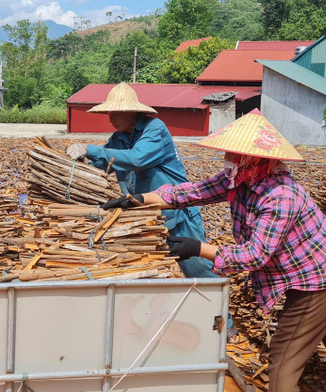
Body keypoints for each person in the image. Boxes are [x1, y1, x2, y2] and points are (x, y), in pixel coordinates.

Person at [102, 109, 326, 392]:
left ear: (256, 159)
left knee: (283, 362)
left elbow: (255, 255)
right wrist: (139, 200)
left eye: (234, 154)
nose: (228, 159)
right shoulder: (239, 179)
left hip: (319, 280)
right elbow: (192, 192)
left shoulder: (280, 195)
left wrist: (197, 247)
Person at [65, 82, 218, 281]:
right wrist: (78, 165)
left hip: (176, 215)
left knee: (200, 273)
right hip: (145, 218)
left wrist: (89, 148)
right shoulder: (118, 138)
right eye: (108, 113)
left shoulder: (154, 129)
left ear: (131, 111)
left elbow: (138, 158)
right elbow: (105, 163)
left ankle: (220, 313)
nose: (110, 118)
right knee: (145, 275)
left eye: (114, 112)